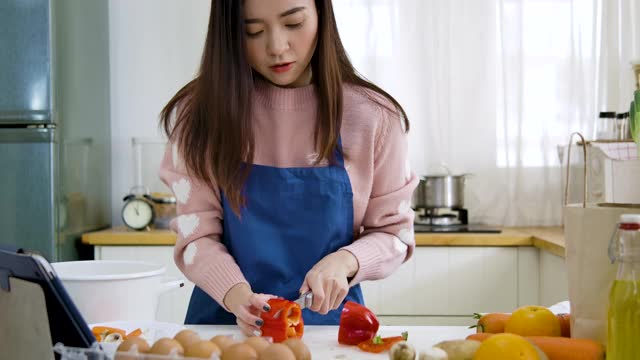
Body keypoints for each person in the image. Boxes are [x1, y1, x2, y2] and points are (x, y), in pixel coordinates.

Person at [159, 0, 418, 337]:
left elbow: (394, 234)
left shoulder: (373, 117)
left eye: (293, 23)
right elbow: (197, 237)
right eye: (252, 31)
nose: (277, 48)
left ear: (321, 15)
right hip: (223, 330)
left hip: (331, 333)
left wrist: (344, 262)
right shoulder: (199, 117)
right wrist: (238, 297)